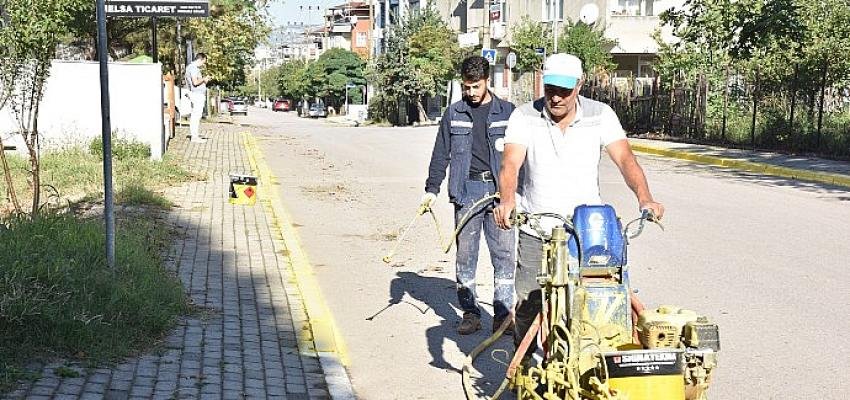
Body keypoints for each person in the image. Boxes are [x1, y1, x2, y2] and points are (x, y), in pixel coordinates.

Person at [492, 53, 665, 358]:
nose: (556, 98)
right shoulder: (524, 116)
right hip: (537, 226)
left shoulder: (601, 115)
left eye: (564, 90)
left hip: (586, 231)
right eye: (550, 89)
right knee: (529, 301)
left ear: (580, 85)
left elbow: (625, 159)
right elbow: (510, 164)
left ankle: (587, 359)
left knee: (596, 298)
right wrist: (507, 200)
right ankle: (523, 364)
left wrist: (645, 197)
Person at [422, 56, 516, 335]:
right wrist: (431, 189)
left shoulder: (508, 113)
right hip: (467, 192)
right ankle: (471, 313)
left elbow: (521, 156)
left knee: (504, 256)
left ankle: (503, 315)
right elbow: (441, 154)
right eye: (466, 87)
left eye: (476, 86)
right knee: (466, 256)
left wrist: (517, 194)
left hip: (500, 193)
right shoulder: (454, 114)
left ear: (487, 81)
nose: (471, 92)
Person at [185, 52, 210, 143]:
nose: (203, 64)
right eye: (203, 62)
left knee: (195, 115)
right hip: (197, 95)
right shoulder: (193, 68)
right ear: (200, 59)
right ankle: (194, 137)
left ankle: (195, 135)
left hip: (195, 94)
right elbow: (195, 82)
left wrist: (203, 81)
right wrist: (204, 79)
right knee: (196, 116)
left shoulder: (190, 67)